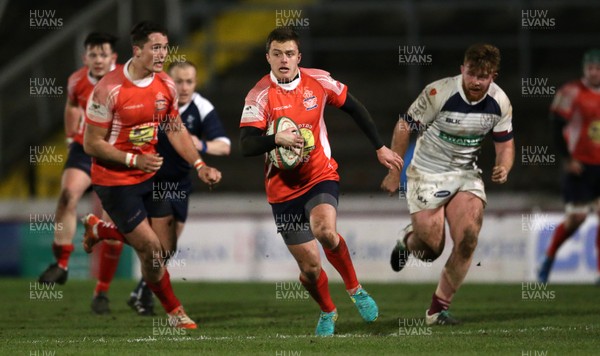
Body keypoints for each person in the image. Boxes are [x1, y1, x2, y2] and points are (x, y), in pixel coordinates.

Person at [240, 27, 403, 336]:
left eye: (289, 54)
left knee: (325, 231)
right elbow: (246, 145)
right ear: (268, 58)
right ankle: (328, 311)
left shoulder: (319, 81)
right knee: (310, 269)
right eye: (277, 54)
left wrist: (380, 147)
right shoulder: (258, 95)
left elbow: (354, 107)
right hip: (282, 191)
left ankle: (355, 289)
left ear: (299, 57)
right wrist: (276, 139)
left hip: (319, 176)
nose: (284, 60)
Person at [82, 21, 221, 329]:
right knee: (151, 250)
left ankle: (101, 231)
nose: (162, 54)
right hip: (114, 181)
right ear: (137, 50)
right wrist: (133, 159)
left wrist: (200, 166)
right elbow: (91, 143)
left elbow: (174, 128)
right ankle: (175, 313)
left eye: (165, 47)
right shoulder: (108, 89)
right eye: (156, 48)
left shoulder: (165, 86)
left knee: (165, 248)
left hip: (150, 178)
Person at [381, 43, 514, 325]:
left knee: (468, 239)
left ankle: (437, 310)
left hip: (466, 174)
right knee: (430, 249)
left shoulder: (500, 102)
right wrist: (395, 172)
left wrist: (504, 165)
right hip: (427, 173)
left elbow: (505, 144)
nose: (477, 81)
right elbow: (404, 125)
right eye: (472, 74)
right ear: (462, 70)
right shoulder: (438, 92)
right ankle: (407, 241)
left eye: (484, 76)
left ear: (494, 76)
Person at [125, 60, 231, 315]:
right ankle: (145, 293)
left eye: (189, 82)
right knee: (154, 243)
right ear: (168, 82)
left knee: (168, 247)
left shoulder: (202, 107)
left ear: (195, 82)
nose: (184, 87)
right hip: (148, 181)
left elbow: (225, 145)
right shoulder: (152, 101)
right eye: (179, 81)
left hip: (180, 184)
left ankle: (141, 290)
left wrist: (200, 146)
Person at [38, 32, 120, 287]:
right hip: (85, 149)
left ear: (113, 57)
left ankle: (104, 288)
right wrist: (71, 135)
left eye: (103, 54)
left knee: (113, 220)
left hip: (115, 152)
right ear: (85, 57)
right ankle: (61, 264)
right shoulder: (76, 81)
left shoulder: (125, 80)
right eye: (93, 54)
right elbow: (72, 105)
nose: (98, 59)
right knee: (67, 196)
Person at [538, 49, 600, 285]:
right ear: (585, 70)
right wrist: (567, 158)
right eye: (590, 68)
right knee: (578, 218)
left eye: (597, 68)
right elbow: (556, 125)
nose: (594, 72)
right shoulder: (572, 92)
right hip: (580, 166)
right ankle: (549, 258)